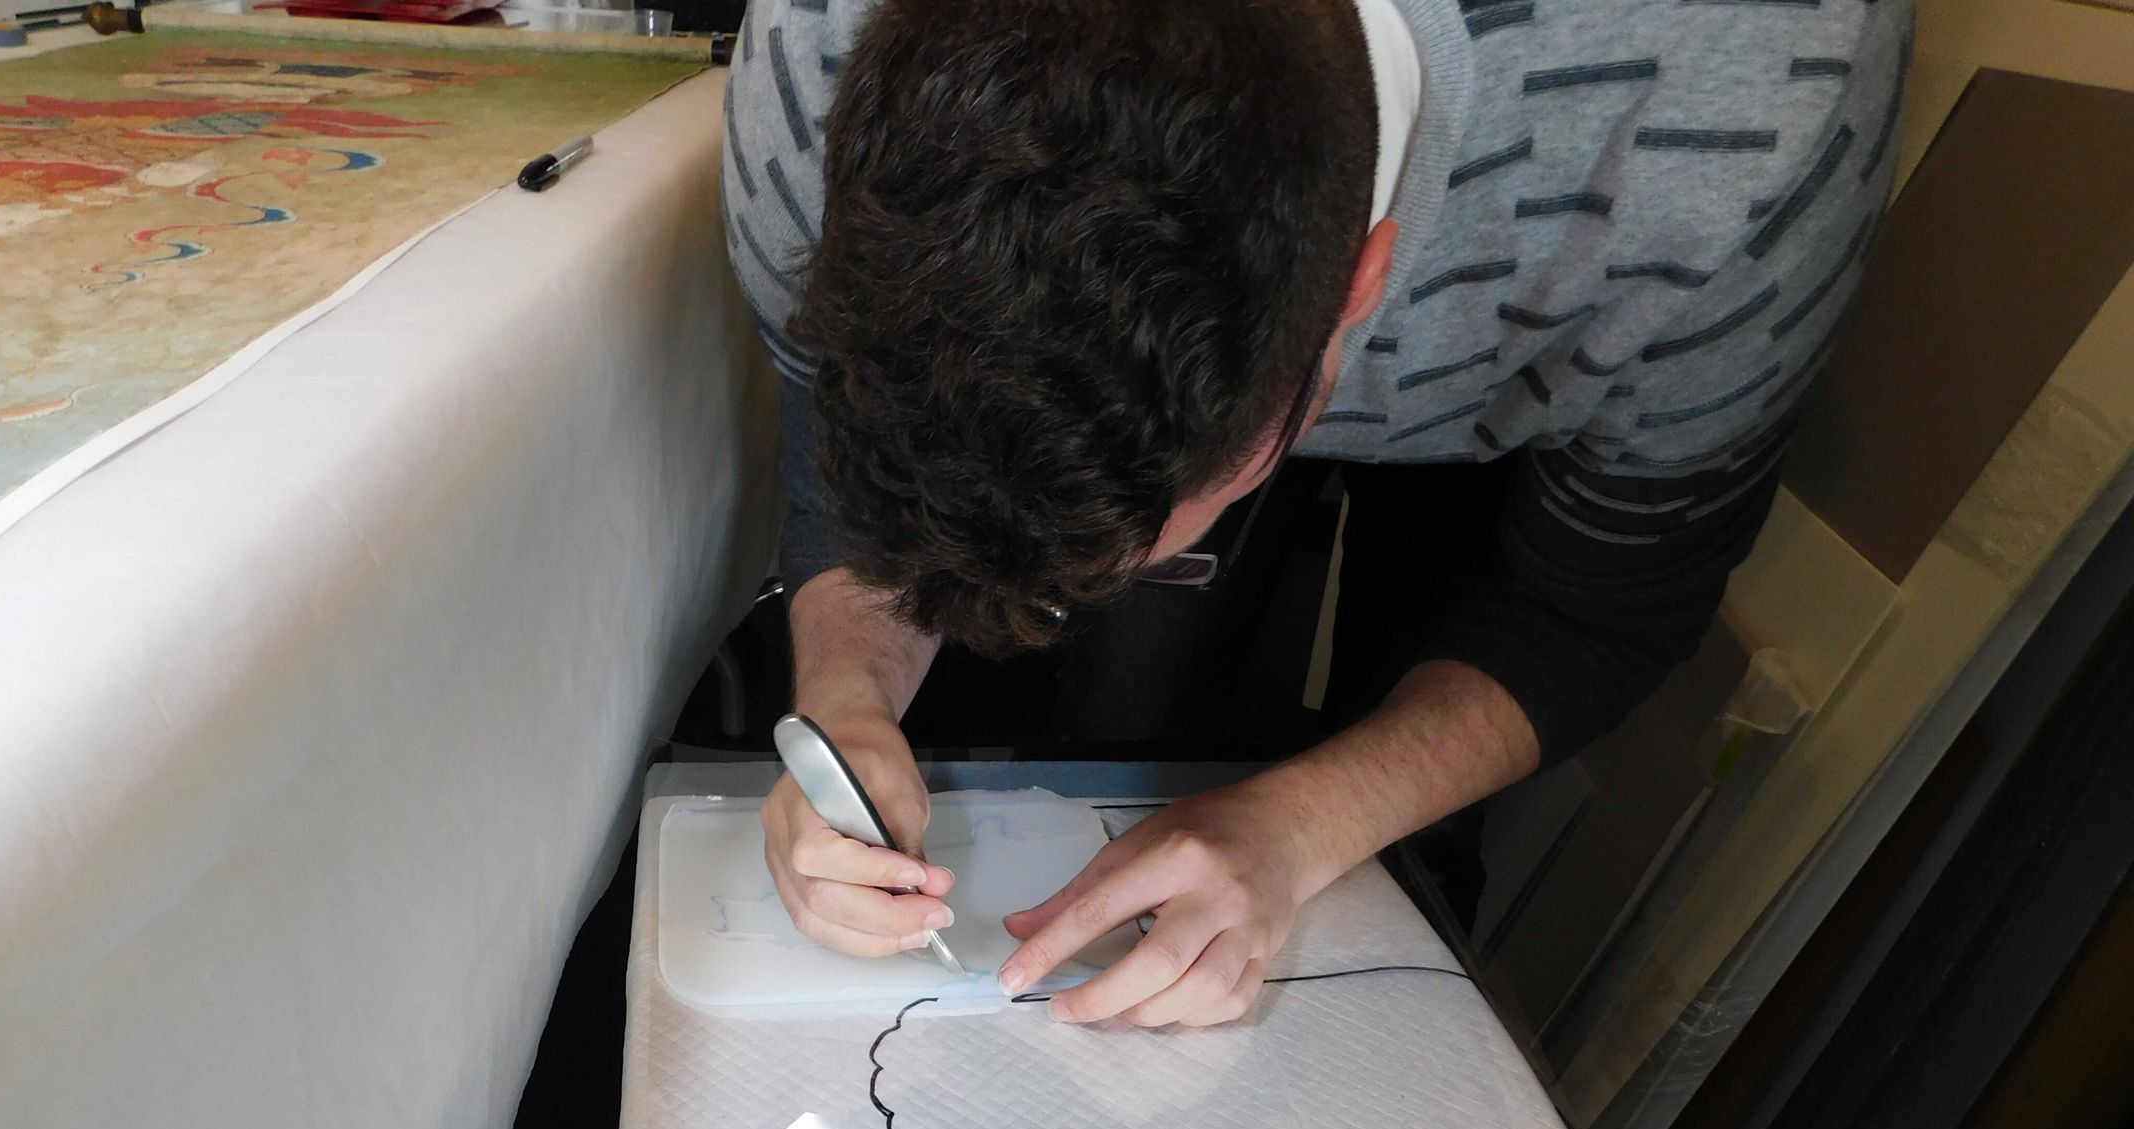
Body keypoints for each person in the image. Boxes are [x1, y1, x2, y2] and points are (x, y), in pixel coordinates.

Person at [726, 0, 1909, 1026]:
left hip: (1542, 285)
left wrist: (1303, 827)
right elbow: (852, 464)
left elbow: (1599, 601)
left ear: (1365, 284)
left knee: (1407, 836)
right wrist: (849, 697)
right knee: (1108, 705)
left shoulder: (1750, 130)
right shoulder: (813, 66)